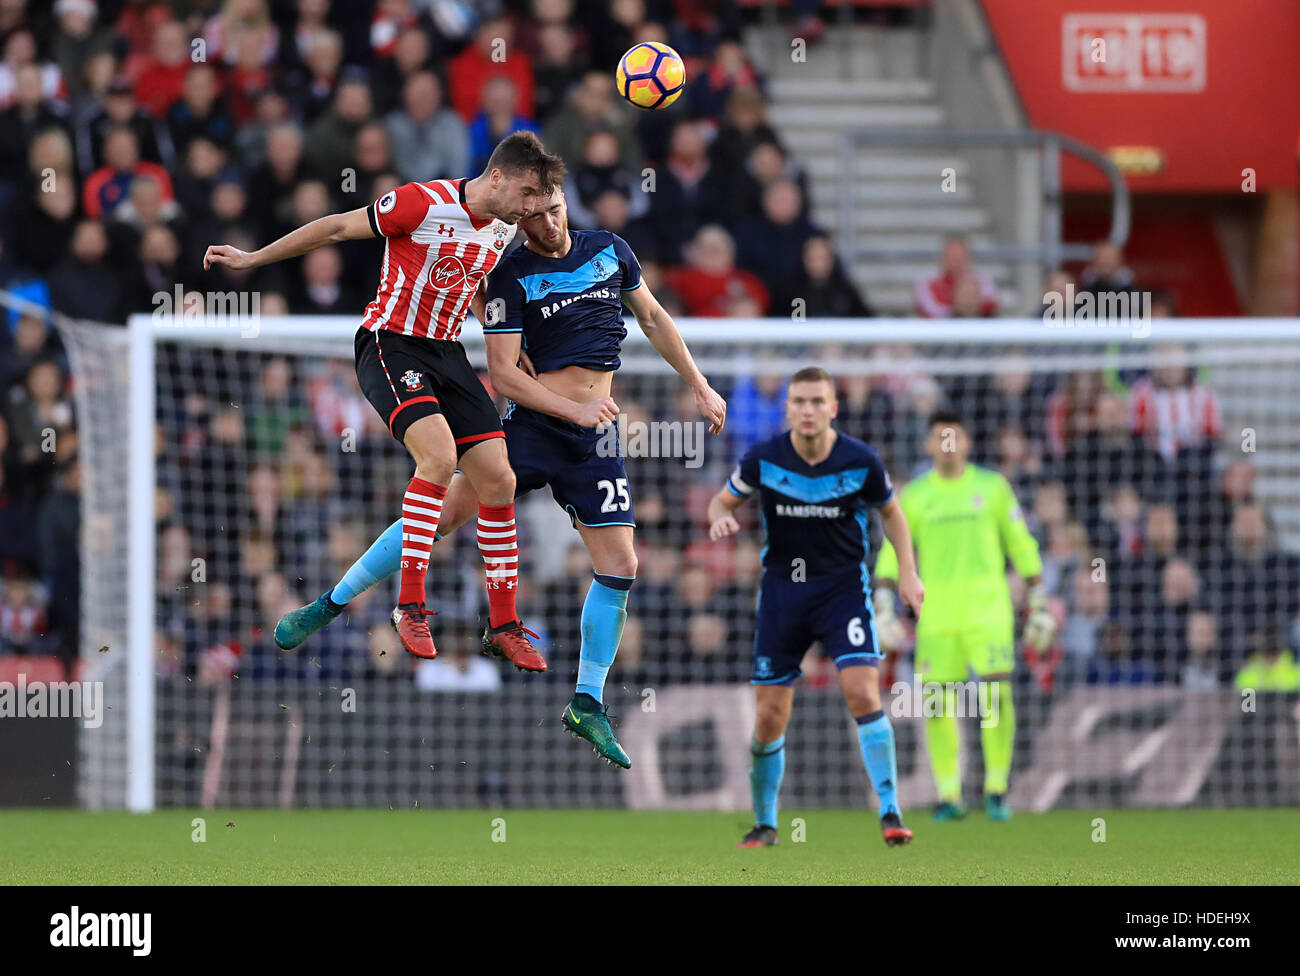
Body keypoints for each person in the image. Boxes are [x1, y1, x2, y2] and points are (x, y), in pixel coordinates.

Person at [274, 185, 727, 767]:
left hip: (594, 439)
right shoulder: (511, 273)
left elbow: (655, 317)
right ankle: (332, 602)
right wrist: (574, 409)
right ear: (521, 220)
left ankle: (586, 703)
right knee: (440, 517)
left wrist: (698, 382)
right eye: (534, 217)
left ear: (567, 204)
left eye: (555, 209)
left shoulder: (611, 249)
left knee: (622, 564)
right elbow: (505, 376)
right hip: (535, 428)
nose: (547, 223)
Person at [204, 131, 563, 670]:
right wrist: (254, 259)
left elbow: (478, 286)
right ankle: (410, 606)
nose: (533, 206)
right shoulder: (422, 201)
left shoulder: (505, 229)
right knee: (439, 458)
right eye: (529, 193)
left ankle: (505, 622)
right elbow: (335, 227)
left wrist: (512, 348)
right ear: (499, 177)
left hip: (445, 353)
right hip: (389, 344)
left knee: (499, 478)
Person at [705, 367, 924, 848]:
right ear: (788, 408)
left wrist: (907, 572)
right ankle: (765, 823)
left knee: (864, 692)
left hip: (842, 590)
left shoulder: (859, 460)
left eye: (817, 401)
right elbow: (719, 504)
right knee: (768, 717)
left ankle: (890, 811)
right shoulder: (765, 458)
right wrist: (721, 519)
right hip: (783, 594)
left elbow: (894, 515)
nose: (808, 410)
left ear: (833, 408)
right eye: (799, 401)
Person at [873, 410, 1054, 821]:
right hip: (935, 614)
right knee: (937, 704)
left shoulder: (992, 489)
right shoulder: (916, 495)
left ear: (967, 443)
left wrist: (1039, 597)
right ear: (929, 445)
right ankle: (949, 793)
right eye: (940, 437)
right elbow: (893, 551)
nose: (948, 444)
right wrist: (883, 603)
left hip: (988, 609)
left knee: (995, 694)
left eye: (954, 436)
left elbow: (1021, 544)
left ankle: (996, 788)